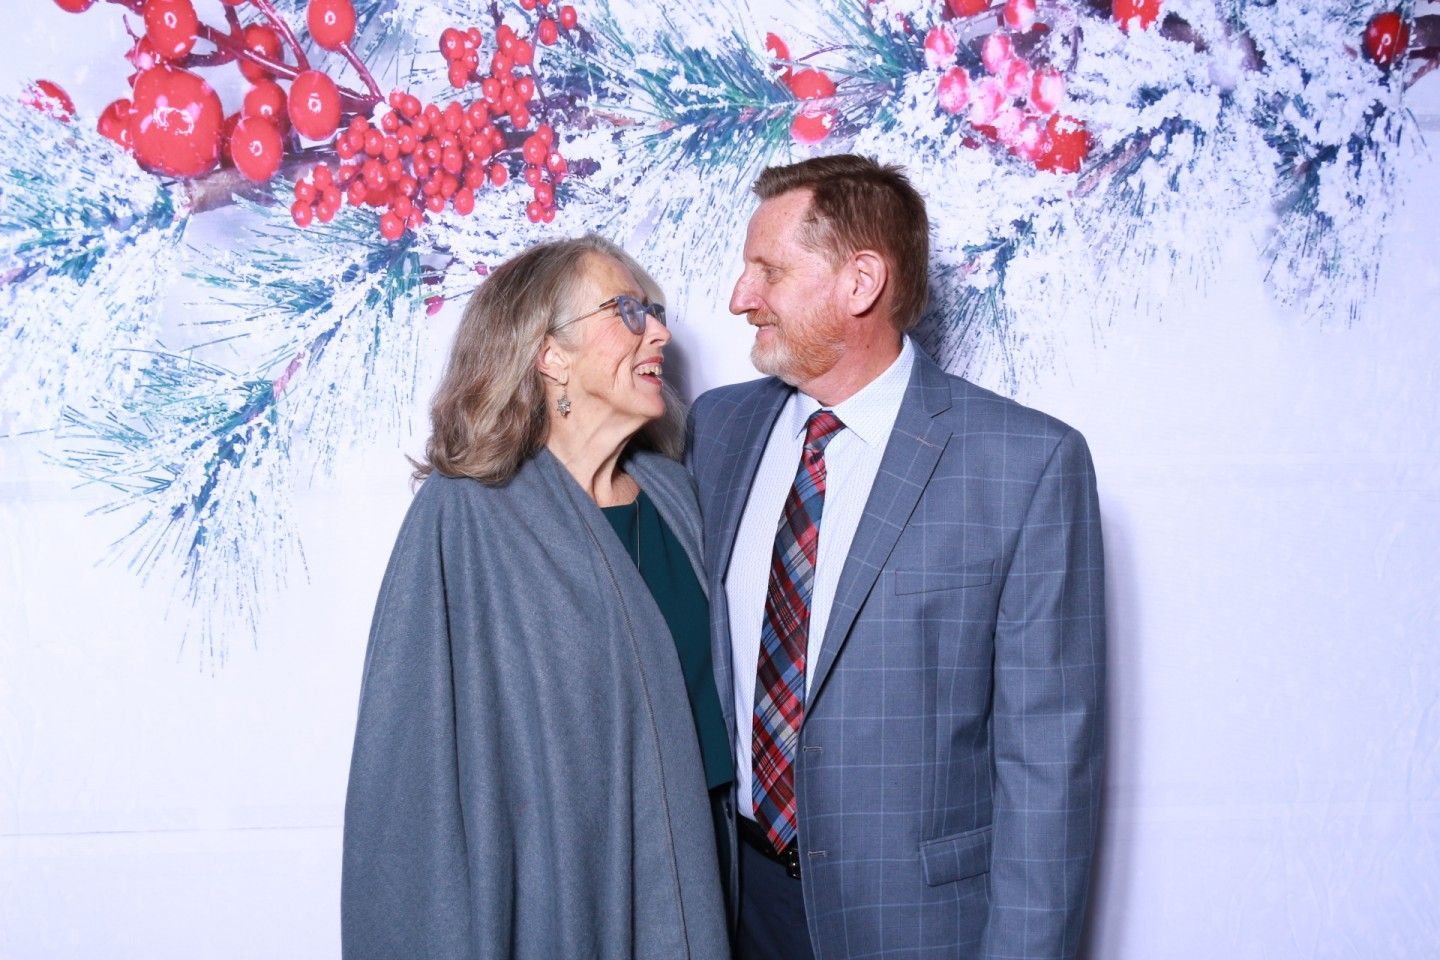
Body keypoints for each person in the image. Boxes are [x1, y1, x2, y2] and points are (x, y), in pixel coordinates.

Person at [687, 155, 1106, 960]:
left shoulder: (1025, 464)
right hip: (734, 908)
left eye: (768, 270)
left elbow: (1050, 770)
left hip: (914, 926)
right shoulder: (720, 430)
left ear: (860, 282)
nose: (741, 297)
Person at [342, 235, 732, 960]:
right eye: (626, 311)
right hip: (563, 896)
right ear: (549, 354)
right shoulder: (467, 516)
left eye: (653, 309)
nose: (660, 332)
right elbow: (412, 769)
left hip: (706, 875)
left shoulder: (680, 498)